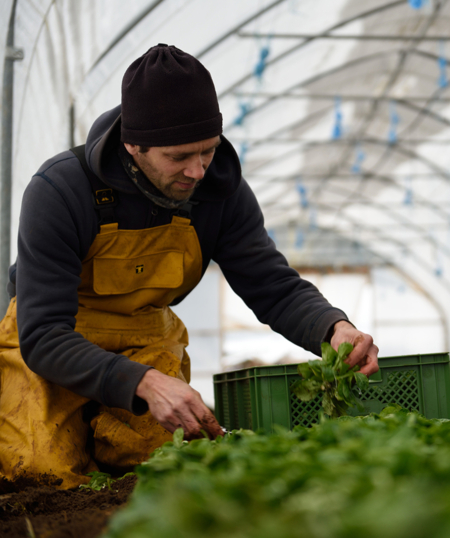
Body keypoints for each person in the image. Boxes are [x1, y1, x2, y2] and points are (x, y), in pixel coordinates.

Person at [0, 44, 379, 489]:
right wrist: (143, 383)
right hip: (57, 347)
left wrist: (332, 328)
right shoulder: (61, 190)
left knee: (160, 469)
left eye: (208, 151)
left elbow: (271, 285)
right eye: (179, 157)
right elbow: (43, 335)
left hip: (146, 337)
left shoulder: (220, 191)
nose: (198, 171)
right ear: (133, 146)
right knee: (40, 475)